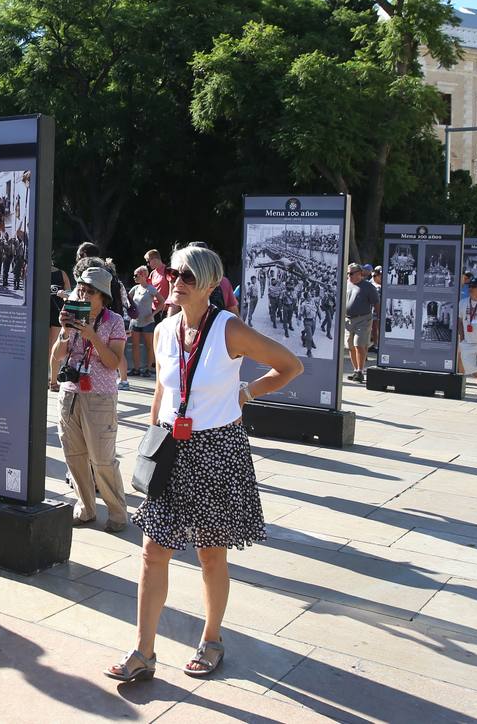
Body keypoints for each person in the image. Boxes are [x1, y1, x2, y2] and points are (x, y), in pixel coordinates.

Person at [106, 244, 302, 684]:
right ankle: (144, 651)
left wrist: (247, 393)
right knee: (153, 551)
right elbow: (162, 388)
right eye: (174, 272)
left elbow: (289, 366)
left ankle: (212, 640)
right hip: (173, 451)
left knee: (211, 554)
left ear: (210, 284)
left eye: (187, 276)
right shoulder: (164, 330)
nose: (175, 280)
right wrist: (152, 436)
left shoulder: (229, 329)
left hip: (217, 449)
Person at [49, 265, 129, 532]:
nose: (82, 295)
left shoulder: (114, 321)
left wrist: (91, 335)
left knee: (102, 458)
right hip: (70, 393)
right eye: (81, 289)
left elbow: (113, 362)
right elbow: (59, 356)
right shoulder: (70, 316)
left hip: (100, 396)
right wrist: (64, 330)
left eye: (89, 291)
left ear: (103, 297)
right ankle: (85, 508)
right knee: (74, 455)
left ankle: (117, 514)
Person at [343, 263, 379, 383]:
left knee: (359, 344)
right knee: (350, 346)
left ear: (359, 273)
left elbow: (376, 303)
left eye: (351, 273)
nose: (349, 275)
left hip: (363, 319)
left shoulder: (368, 287)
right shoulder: (346, 284)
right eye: (347, 273)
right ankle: (355, 371)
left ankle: (360, 371)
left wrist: (379, 318)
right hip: (348, 320)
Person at [128, 266, 158, 377]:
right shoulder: (135, 289)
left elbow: (162, 302)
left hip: (147, 321)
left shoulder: (150, 289)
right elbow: (126, 299)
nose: (134, 277)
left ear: (143, 275)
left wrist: (153, 314)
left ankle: (148, 369)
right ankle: (136, 369)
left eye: (136, 275)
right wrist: (130, 310)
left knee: (149, 345)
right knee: (135, 345)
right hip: (135, 321)